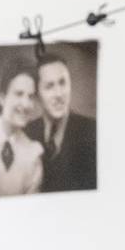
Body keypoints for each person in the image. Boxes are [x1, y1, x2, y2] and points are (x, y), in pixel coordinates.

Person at [32, 48, 99, 192]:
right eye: (49, 86)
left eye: (63, 83)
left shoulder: (93, 131)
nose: (59, 94)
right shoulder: (26, 134)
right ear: (37, 95)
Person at [0, 58, 44, 197]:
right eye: (19, 94)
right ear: (2, 99)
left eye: (31, 96)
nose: (26, 104)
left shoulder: (33, 154)